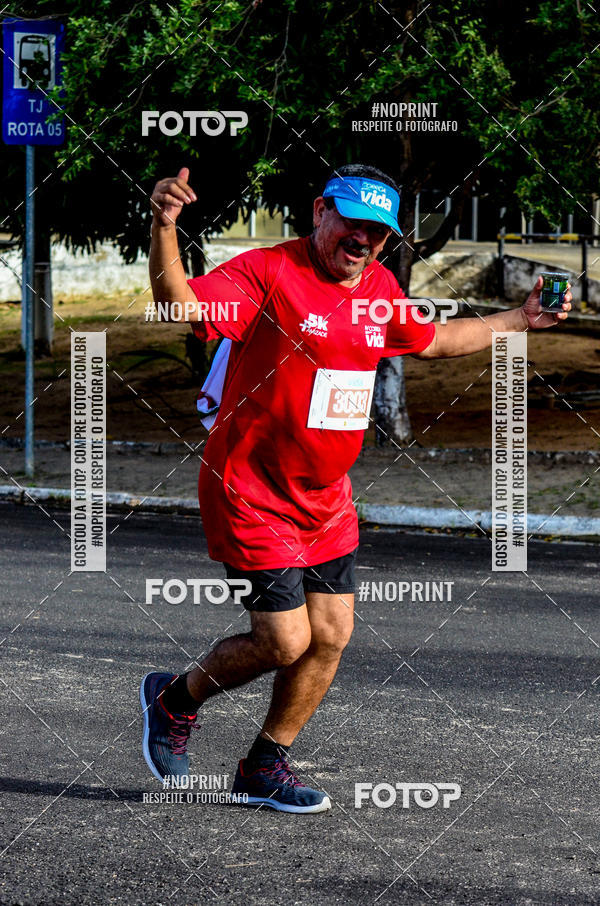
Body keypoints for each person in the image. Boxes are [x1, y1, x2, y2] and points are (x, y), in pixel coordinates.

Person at [141, 163, 571, 814]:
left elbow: (435, 340)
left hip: (326, 501)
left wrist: (521, 318)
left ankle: (265, 764)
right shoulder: (269, 271)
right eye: (353, 223)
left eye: (378, 231)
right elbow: (182, 306)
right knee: (283, 640)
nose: (364, 239)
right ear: (321, 212)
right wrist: (164, 226)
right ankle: (174, 700)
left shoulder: (379, 286)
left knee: (332, 634)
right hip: (251, 492)